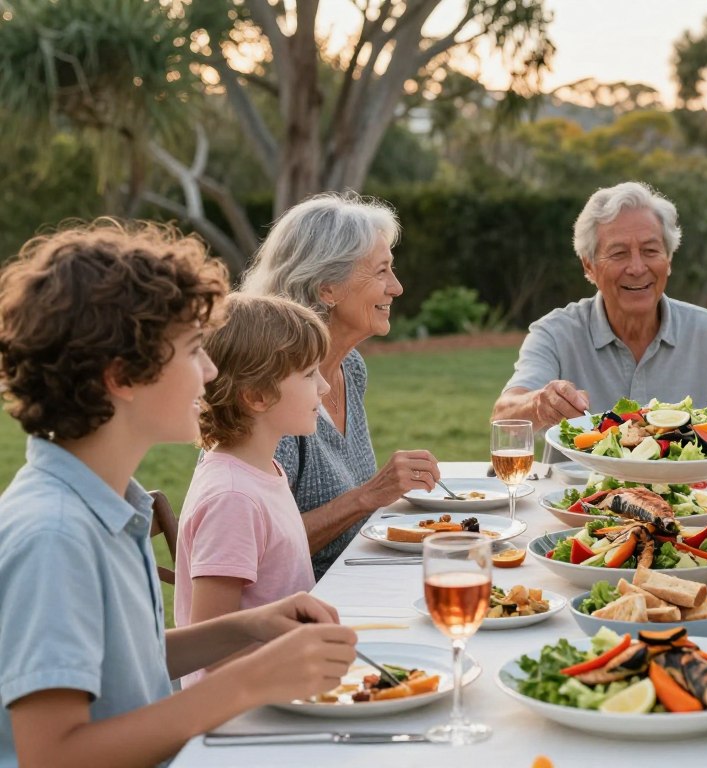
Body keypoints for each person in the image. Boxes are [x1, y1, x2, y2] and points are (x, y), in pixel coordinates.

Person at [0, 221, 357, 768]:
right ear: (122, 376)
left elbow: (127, 665)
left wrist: (249, 627)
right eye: (194, 350)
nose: (211, 370)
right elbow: (52, 755)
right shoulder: (55, 535)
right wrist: (247, 682)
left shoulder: (109, 504)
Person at [241, 192, 442, 579]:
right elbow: (256, 545)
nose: (397, 287)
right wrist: (366, 497)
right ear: (326, 289)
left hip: (360, 578)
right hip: (304, 609)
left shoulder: (351, 367)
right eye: (381, 271)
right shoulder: (271, 389)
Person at [492, 181, 707, 445]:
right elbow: (504, 416)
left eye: (651, 251)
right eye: (619, 253)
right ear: (589, 266)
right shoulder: (556, 333)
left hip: (693, 487)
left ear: (669, 259)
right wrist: (540, 403)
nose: (637, 267)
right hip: (583, 487)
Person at [174, 295, 332, 682]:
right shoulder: (234, 499)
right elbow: (214, 651)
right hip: (245, 713)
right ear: (257, 396)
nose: (324, 387)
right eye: (310, 374)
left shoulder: (263, 470)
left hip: (283, 680)